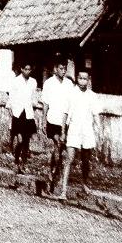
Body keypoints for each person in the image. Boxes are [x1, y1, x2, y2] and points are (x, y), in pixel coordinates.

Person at [55, 68, 100, 200]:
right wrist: (63, 132)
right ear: (77, 78)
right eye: (80, 78)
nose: (82, 81)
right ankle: (63, 191)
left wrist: (97, 130)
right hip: (73, 130)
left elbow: (96, 114)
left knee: (86, 161)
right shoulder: (71, 94)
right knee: (69, 159)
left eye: (85, 78)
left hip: (87, 131)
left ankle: (84, 184)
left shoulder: (92, 96)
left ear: (88, 80)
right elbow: (65, 114)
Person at [41, 56, 74, 193]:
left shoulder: (69, 84)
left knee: (60, 150)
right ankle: (52, 172)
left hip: (64, 121)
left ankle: (52, 171)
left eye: (65, 68)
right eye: (61, 68)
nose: (63, 71)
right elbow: (46, 103)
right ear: (55, 69)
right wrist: (43, 120)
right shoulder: (49, 83)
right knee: (58, 144)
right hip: (52, 120)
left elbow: (71, 104)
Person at [6, 62, 37, 174]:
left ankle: (23, 164)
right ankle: (16, 161)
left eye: (29, 69)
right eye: (26, 69)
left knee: (26, 142)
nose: (28, 71)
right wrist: (11, 113)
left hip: (28, 114)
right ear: (21, 69)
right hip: (18, 114)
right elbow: (11, 98)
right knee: (20, 140)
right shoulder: (16, 81)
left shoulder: (33, 82)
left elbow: (34, 98)